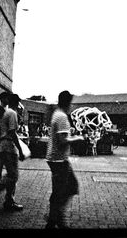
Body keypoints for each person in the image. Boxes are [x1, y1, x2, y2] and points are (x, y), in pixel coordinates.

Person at [45, 90, 85, 228]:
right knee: (69, 187)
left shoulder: (56, 114)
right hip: (59, 160)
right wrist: (77, 139)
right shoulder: (61, 116)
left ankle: (53, 218)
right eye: (71, 103)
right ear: (67, 102)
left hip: (55, 158)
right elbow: (62, 140)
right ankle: (56, 217)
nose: (71, 106)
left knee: (62, 189)